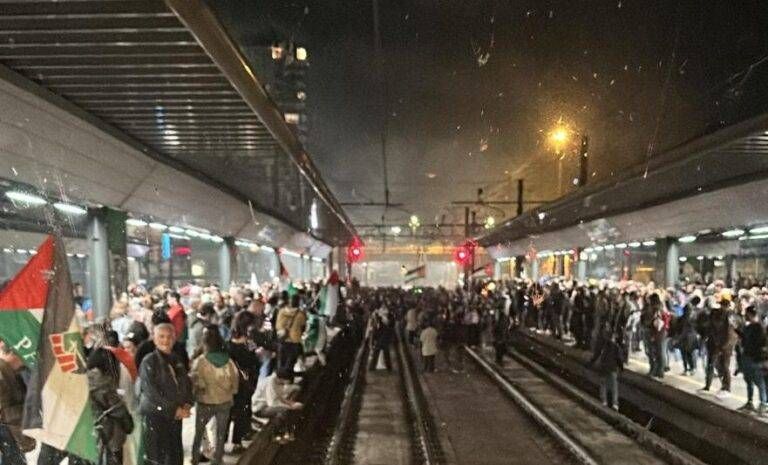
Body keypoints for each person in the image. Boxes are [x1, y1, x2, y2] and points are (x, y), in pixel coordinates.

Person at [138, 323, 193, 465]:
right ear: (154, 339)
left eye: (169, 337)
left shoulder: (176, 359)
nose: (165, 340)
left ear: (174, 339)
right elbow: (151, 392)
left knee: (175, 454)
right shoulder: (149, 361)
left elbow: (186, 384)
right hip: (156, 416)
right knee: (157, 456)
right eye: (161, 337)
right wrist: (174, 409)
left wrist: (187, 404)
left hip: (175, 416)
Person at [190, 326, 239, 465]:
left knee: (199, 432)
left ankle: (194, 458)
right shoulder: (228, 361)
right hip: (224, 402)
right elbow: (235, 382)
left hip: (205, 402)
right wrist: (231, 392)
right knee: (220, 433)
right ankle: (217, 460)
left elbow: (195, 380)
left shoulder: (200, 360)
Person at [87, 348, 134, 465]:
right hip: (110, 437)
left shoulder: (81, 381)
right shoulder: (105, 383)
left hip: (87, 438)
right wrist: (128, 424)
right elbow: (118, 409)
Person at [226, 312, 260, 453]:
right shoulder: (248, 343)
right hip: (243, 383)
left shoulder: (228, 343)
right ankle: (236, 442)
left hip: (238, 383)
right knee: (240, 411)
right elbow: (255, 360)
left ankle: (226, 441)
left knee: (232, 412)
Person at [0, 342, 33, 465]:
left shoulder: (14, 372)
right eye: (20, 358)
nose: (22, 362)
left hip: (12, 430)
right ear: (13, 354)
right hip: (6, 430)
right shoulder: (2, 372)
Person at [252, 370, 303, 444]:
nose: (286, 384)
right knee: (282, 412)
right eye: (286, 382)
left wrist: (292, 404)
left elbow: (280, 398)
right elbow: (272, 403)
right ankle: (275, 436)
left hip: (267, 405)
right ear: (281, 379)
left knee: (285, 411)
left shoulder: (278, 382)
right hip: (260, 408)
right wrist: (292, 407)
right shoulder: (270, 382)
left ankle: (285, 433)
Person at [588, 324, 625, 411]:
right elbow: (619, 359)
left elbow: (596, 355)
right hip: (612, 369)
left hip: (603, 368)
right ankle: (615, 403)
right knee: (614, 387)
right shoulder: (616, 347)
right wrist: (622, 368)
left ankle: (604, 401)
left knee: (603, 385)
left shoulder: (602, 345)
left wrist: (590, 363)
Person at [739, 306, 767, 414]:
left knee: (759, 381)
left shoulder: (759, 327)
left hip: (755, 358)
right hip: (747, 356)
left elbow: (761, 343)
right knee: (749, 380)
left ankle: (763, 403)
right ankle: (750, 401)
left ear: (750, 314)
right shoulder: (749, 327)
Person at [275, 295, 306, 374]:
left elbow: (277, 326)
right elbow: (303, 327)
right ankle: (288, 380)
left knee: (281, 364)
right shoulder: (301, 314)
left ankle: (280, 379)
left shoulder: (281, 312)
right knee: (290, 365)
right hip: (294, 341)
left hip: (282, 340)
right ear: (298, 302)